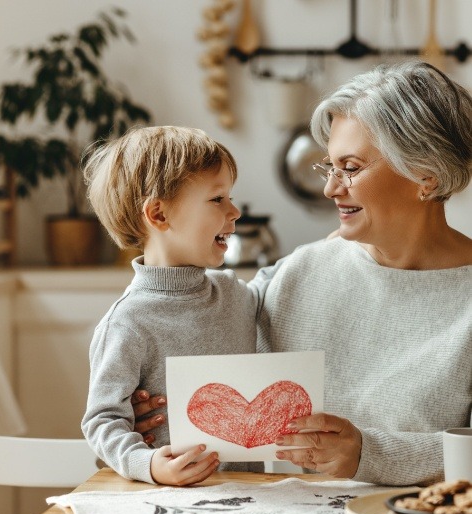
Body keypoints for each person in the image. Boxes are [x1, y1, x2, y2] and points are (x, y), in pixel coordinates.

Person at [132, 61, 472, 487]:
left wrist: (367, 453)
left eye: (350, 167)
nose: (331, 188)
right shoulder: (301, 272)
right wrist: (157, 406)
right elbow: (207, 346)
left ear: (426, 174)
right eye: (329, 168)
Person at [81, 125, 264, 486]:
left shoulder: (235, 294)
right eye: (217, 199)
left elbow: (285, 279)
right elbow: (102, 420)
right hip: (165, 506)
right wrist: (148, 464)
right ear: (159, 215)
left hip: (251, 498)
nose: (235, 211)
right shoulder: (127, 322)